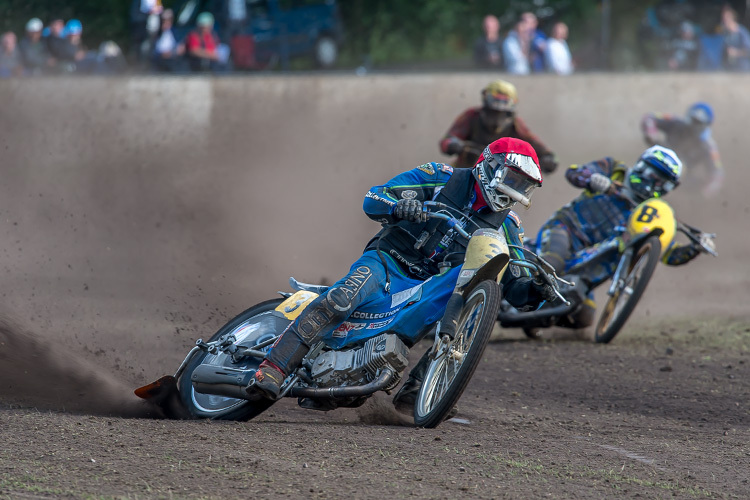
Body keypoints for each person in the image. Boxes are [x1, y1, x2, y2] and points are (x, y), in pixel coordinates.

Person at [246, 137, 556, 409]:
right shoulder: (440, 177)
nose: (514, 191)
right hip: (387, 261)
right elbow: (376, 197)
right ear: (491, 166)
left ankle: (418, 390)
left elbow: (515, 286)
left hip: (427, 287)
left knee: (471, 309)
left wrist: (538, 289)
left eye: (523, 186)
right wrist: (399, 207)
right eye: (512, 180)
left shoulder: (509, 225)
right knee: (340, 299)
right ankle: (274, 367)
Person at [536, 146, 706, 327]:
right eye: (651, 174)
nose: (652, 183)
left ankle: (534, 319)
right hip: (565, 228)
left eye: (662, 182)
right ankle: (522, 291)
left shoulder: (651, 214)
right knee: (553, 264)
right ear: (640, 166)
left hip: (586, 260)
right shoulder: (615, 170)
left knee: (583, 318)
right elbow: (574, 171)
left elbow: (666, 253)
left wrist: (695, 248)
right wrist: (593, 179)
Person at [439, 80, 558, 173]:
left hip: (496, 180)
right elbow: (447, 139)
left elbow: (534, 144)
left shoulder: (515, 124)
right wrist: (452, 144)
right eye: (493, 110)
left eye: (503, 103)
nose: (497, 113)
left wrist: (547, 157)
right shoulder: (472, 116)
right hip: (464, 171)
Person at [641, 102, 724, 197]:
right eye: (693, 120)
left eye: (698, 123)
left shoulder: (708, 147)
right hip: (658, 159)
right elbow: (650, 117)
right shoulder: (676, 123)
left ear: (705, 125)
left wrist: (707, 190)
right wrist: (651, 134)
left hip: (681, 177)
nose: (694, 125)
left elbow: (717, 173)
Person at [720, 6, 750, 71]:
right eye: (723, 19)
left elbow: (748, 51)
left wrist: (736, 53)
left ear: (732, 18)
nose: (724, 21)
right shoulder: (725, 33)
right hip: (730, 69)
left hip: (743, 69)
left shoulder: (742, 32)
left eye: (726, 19)